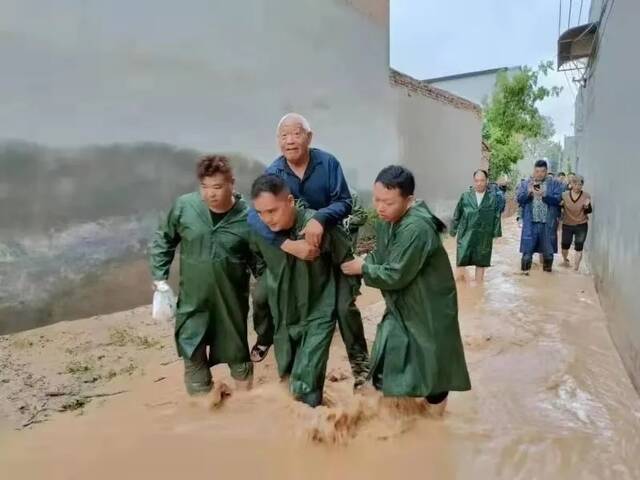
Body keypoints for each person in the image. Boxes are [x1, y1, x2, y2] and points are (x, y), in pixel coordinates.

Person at [247, 113, 369, 388]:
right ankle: (271, 344)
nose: (290, 141)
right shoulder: (273, 172)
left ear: (308, 137)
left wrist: (320, 218)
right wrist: (287, 244)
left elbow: (344, 202)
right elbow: (254, 216)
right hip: (295, 250)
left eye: (296, 134)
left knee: (344, 308)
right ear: (278, 141)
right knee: (267, 296)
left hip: (331, 243)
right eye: (284, 136)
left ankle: (361, 369)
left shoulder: (327, 163)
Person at [341, 166, 471, 416]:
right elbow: (381, 254)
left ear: (408, 200)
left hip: (429, 308)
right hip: (403, 304)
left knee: (433, 369)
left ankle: (434, 427)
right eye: (377, 200)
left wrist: (363, 267)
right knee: (389, 355)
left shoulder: (416, 228)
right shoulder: (388, 220)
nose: (379, 208)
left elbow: (394, 274)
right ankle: (395, 418)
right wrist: (364, 262)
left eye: (387, 202)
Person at [149, 155, 256, 396]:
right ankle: (203, 409)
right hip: (193, 300)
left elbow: (263, 262)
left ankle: (247, 406)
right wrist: (160, 279)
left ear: (232, 183)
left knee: (237, 352)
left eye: (217, 187)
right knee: (191, 348)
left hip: (230, 301)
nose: (210, 194)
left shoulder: (248, 218)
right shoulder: (185, 207)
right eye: (204, 187)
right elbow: (163, 239)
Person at [249, 174, 357, 407]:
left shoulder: (317, 228)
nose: (267, 219)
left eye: (272, 211)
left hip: (318, 311)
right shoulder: (261, 233)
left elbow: (347, 262)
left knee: (306, 382)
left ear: (290, 201)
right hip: (284, 313)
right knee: (287, 375)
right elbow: (259, 263)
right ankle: (309, 427)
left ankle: (316, 432)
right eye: (260, 213)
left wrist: (342, 303)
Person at [450, 169, 502, 283]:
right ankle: (461, 290)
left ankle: (479, 290)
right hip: (466, 233)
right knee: (461, 260)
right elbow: (457, 214)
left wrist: (496, 234)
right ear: (474, 181)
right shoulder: (465, 196)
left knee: (481, 261)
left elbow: (496, 216)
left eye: (482, 180)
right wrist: (453, 231)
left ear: (486, 181)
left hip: (483, 235)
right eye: (476, 181)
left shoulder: (492, 198)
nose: (479, 183)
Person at [517, 159, 564, 273]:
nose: (539, 174)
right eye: (537, 171)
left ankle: (547, 280)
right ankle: (525, 278)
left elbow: (558, 201)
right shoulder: (526, 184)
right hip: (530, 224)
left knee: (548, 254)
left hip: (547, 224)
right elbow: (520, 200)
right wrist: (529, 193)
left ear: (546, 171)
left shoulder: (555, 184)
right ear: (534, 171)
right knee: (527, 254)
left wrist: (544, 195)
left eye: (542, 171)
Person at [561, 175, 592, 271]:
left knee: (579, 246)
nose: (578, 186)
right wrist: (561, 207)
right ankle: (565, 259)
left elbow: (589, 211)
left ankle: (576, 268)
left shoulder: (586, 196)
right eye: (575, 184)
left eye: (580, 184)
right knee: (565, 246)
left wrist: (587, 207)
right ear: (571, 184)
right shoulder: (564, 195)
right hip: (567, 224)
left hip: (581, 224)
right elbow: (560, 209)